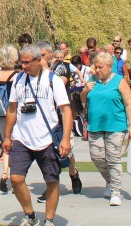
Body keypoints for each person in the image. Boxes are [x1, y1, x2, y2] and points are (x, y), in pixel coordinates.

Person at [3, 45, 72, 226]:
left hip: (47, 138)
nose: (23, 66)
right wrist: (7, 136)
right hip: (22, 137)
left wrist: (65, 138)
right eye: (22, 62)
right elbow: (12, 109)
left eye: (27, 62)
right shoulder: (18, 80)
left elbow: (65, 110)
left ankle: (49, 219)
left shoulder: (52, 80)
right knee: (16, 178)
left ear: (37, 61)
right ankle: (30, 215)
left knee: (52, 180)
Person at [80, 52, 131, 206]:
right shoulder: (92, 80)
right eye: (96, 67)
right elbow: (83, 100)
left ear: (109, 67)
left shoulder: (119, 81)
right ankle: (110, 180)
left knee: (113, 158)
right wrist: (85, 90)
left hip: (115, 125)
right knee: (96, 156)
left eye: (101, 67)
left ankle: (116, 191)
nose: (97, 70)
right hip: (95, 125)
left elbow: (129, 104)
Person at [37, 42, 82, 195]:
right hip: (44, 119)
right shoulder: (35, 72)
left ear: (50, 54)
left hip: (61, 117)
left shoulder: (60, 67)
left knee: (65, 151)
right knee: (47, 153)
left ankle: (73, 173)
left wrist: (46, 70)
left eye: (43, 55)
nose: (41, 58)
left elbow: (60, 83)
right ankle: (51, 186)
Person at [0, 45, 17, 194]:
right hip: (13, 113)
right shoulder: (16, 75)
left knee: (5, 143)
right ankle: (14, 179)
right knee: (15, 144)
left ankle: (4, 172)